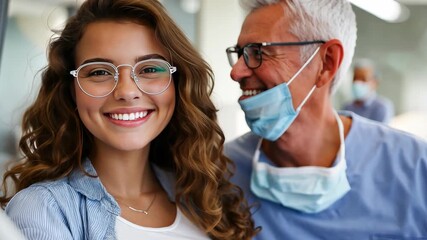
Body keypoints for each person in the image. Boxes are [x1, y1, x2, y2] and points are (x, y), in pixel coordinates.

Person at [0, 0, 258, 239]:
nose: (126, 91)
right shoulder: (43, 209)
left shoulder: (206, 197)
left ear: (178, 84)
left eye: (148, 69)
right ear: (71, 90)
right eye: (100, 72)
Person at [224, 0, 427, 239]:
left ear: (326, 63)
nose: (236, 72)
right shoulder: (219, 173)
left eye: (257, 52)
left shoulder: (415, 169)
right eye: (239, 53)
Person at [342, 58, 394, 123]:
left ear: (375, 82)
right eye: (355, 78)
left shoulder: (382, 107)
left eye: (363, 79)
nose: (357, 82)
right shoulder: (347, 107)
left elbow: (379, 132)